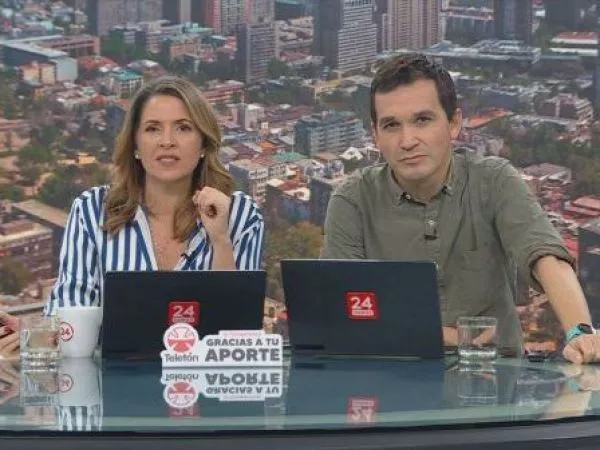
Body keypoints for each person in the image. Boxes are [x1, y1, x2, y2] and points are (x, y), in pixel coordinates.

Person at [320, 53, 600, 364]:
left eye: (422, 120)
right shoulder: (353, 200)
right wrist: (449, 337)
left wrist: (579, 332)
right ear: (375, 136)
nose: (407, 140)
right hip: (392, 380)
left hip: (494, 380)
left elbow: (545, 257)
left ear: (453, 124)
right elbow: (337, 312)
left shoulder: (493, 181)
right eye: (391, 125)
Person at [0, 76, 264, 358]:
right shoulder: (91, 210)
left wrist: (220, 239)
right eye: (152, 129)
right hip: (110, 381)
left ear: (203, 145)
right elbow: (71, 317)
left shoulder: (240, 214)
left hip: (209, 383)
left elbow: (239, 335)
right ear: (135, 145)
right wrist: (36, 334)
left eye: (183, 128)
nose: (167, 142)